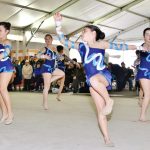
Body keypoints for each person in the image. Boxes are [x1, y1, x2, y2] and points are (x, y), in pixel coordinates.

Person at [53, 12, 147, 146]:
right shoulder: (81, 46)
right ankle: (107, 138)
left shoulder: (101, 44)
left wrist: (138, 47)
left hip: (103, 76)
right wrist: (58, 24)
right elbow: (63, 41)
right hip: (92, 81)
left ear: (93, 33)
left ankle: (109, 100)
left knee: (94, 82)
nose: (82, 33)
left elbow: (121, 47)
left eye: (84, 31)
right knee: (101, 111)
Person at [37, 34, 65, 110]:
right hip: (46, 68)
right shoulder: (44, 48)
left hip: (53, 68)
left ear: (52, 39)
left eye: (49, 39)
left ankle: (48, 81)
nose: (47, 40)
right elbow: (37, 55)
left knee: (62, 74)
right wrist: (44, 56)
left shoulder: (54, 47)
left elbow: (57, 57)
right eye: (46, 39)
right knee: (47, 87)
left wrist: (60, 57)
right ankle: (45, 103)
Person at [0, 22, 14, 125]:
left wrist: (1, 55)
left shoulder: (7, 41)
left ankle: (10, 113)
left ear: (7, 31)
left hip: (7, 66)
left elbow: (8, 51)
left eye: (0, 30)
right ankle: (4, 113)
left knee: (2, 88)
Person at [136, 28, 150, 121]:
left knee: (145, 91)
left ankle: (140, 99)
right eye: (147, 34)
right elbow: (140, 51)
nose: (149, 36)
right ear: (144, 36)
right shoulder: (142, 47)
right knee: (148, 93)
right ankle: (142, 116)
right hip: (144, 72)